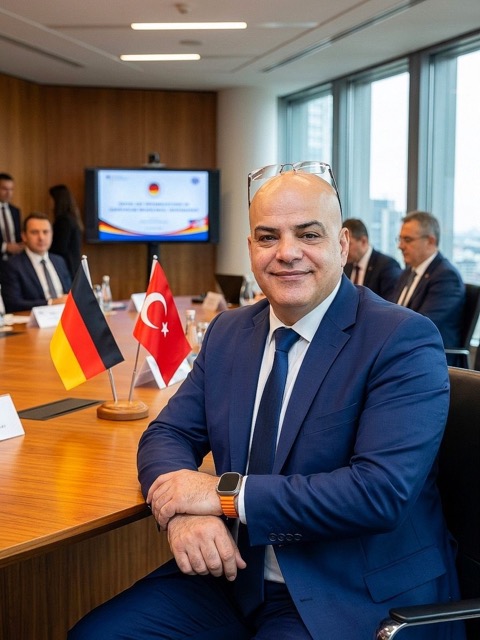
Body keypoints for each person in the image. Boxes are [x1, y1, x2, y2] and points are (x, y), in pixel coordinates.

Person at [69, 169, 463, 640]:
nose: (287, 252)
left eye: (308, 235)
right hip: (234, 572)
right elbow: (167, 433)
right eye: (268, 236)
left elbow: (378, 493)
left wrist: (223, 496)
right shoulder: (229, 331)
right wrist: (183, 513)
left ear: (342, 245)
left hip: (346, 590)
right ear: (251, 247)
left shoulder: (402, 338)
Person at [390, 211, 465, 363]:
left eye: (407, 240)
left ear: (430, 241)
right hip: (405, 350)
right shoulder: (408, 272)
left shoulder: (446, 276)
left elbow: (423, 325)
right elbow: (391, 309)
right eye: (400, 239)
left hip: (429, 357)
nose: (400, 246)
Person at [1, 212, 71, 312]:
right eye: (34, 232)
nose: (41, 237)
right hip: (34, 319)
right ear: (24, 236)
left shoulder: (59, 261)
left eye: (45, 232)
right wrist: (51, 303)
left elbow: (70, 293)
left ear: (52, 234)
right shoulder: (12, 265)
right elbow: (13, 303)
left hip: (65, 316)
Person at [343, 217, 401, 299]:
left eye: (349, 244)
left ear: (363, 241)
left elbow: (389, 303)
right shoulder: (345, 265)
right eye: (341, 244)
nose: (343, 249)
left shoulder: (387, 266)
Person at [49, 184, 83, 279]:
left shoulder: (63, 221)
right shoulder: (72, 218)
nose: (49, 203)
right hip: (73, 267)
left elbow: (60, 248)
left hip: (66, 268)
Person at [0, 172, 23, 268]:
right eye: (5, 189)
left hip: (16, 260)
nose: (9, 193)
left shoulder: (15, 211)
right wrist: (5, 247)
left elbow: (18, 235)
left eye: (11, 189)